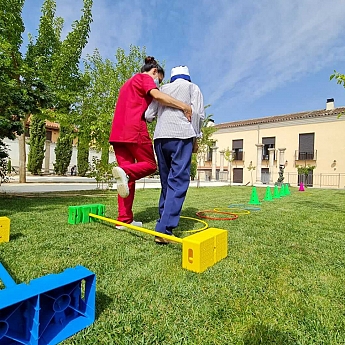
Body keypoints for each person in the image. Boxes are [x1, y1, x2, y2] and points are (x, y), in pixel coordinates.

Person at [109, 57, 192, 230]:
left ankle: (124, 220)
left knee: (126, 179)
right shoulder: (144, 78)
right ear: (155, 72)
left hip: (117, 133)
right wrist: (183, 105)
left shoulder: (126, 83)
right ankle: (125, 172)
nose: (157, 84)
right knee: (149, 165)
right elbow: (157, 96)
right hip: (134, 130)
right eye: (159, 80)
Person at [145, 65, 205, 244]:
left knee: (166, 181)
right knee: (178, 181)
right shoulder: (193, 88)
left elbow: (148, 115)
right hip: (181, 135)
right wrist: (196, 138)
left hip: (160, 138)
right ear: (188, 77)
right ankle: (164, 230)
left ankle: (163, 220)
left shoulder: (162, 89)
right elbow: (198, 116)